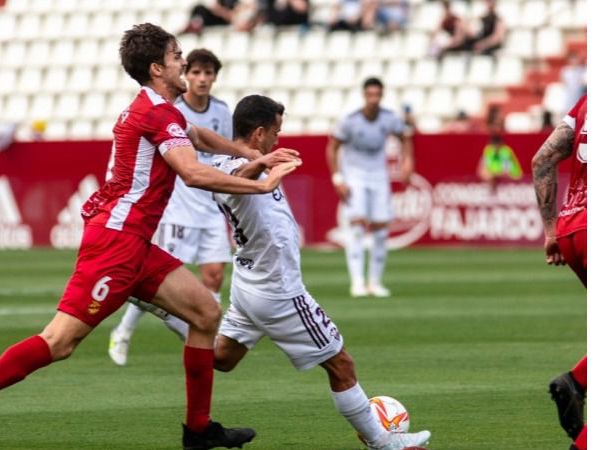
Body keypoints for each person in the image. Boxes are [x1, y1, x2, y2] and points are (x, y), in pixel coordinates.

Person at [0, 23, 301, 450]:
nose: (185, 63)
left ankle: (198, 430)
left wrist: (249, 153)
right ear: (159, 68)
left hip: (133, 241)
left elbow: (197, 137)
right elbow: (194, 173)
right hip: (116, 245)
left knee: (203, 312)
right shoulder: (157, 114)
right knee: (60, 341)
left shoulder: (160, 109)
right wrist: (261, 183)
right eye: (178, 57)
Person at [136, 94, 432, 450]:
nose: (279, 138)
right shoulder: (229, 169)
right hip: (279, 290)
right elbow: (238, 178)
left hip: (250, 285)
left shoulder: (246, 162)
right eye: (276, 131)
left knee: (223, 358)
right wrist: (263, 165)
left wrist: (263, 163)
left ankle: (167, 309)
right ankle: (383, 442)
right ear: (259, 133)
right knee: (341, 365)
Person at [108, 48, 233, 367]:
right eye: (196, 72)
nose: (202, 79)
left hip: (210, 205)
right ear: (187, 75)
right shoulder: (170, 108)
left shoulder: (222, 111)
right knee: (159, 281)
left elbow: (226, 153)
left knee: (215, 275)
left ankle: (209, 336)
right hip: (180, 205)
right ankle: (123, 331)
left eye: (208, 73)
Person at [531, 94, 587, 450]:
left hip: (572, 227)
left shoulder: (585, 102)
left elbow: (542, 159)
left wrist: (551, 231)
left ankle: (578, 381)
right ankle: (578, 382)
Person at [326, 77, 413, 298]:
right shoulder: (350, 120)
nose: (373, 99)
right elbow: (333, 147)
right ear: (364, 95)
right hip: (354, 175)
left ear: (382, 95)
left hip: (378, 175)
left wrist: (407, 162)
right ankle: (357, 282)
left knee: (381, 230)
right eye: (370, 95)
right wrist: (338, 178)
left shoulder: (388, 118)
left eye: (377, 95)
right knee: (356, 227)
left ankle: (375, 282)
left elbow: (405, 137)